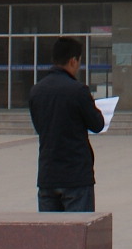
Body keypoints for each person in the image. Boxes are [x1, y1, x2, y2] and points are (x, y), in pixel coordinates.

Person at [28, 35, 105, 211]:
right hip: (75, 176)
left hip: (48, 175)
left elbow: (39, 127)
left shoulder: (36, 91)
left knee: (50, 228)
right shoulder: (78, 90)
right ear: (73, 61)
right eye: (79, 62)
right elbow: (97, 124)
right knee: (78, 227)